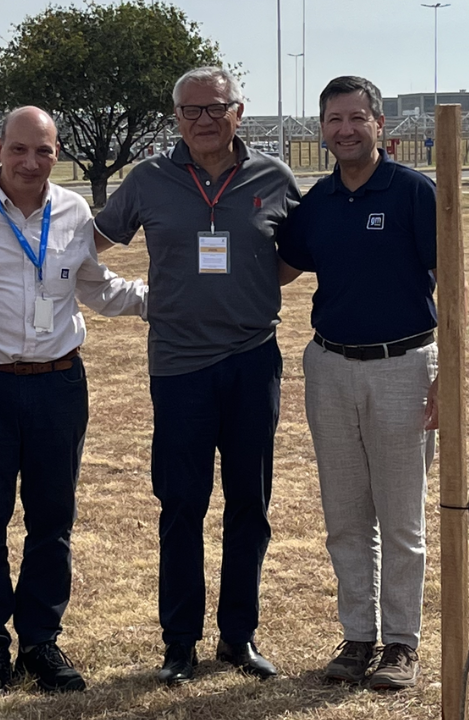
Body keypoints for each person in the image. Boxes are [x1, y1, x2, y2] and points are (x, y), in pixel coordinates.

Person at [0, 106, 147, 696]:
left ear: (58, 153)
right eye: (19, 149)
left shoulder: (73, 211)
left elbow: (95, 287)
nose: (30, 162)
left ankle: (41, 641)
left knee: (53, 520)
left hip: (58, 384)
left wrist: (174, 299)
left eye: (43, 151)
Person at [93, 66, 300, 685]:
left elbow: (294, 256)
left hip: (251, 359)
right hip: (179, 366)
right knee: (181, 504)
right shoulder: (149, 180)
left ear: (240, 110)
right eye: (191, 111)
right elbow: (92, 243)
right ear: (175, 117)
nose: (204, 119)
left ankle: (238, 636)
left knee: (249, 505)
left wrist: (249, 289)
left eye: (216, 108)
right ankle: (178, 643)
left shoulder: (274, 178)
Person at [277, 76, 439, 690]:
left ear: (378, 125)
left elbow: (448, 279)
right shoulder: (317, 202)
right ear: (321, 129)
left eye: (356, 118)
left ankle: (401, 642)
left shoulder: (411, 192)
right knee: (345, 517)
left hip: (403, 366)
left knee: (401, 520)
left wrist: (445, 378)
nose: (345, 130)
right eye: (333, 120)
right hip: (329, 368)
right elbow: (281, 270)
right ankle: (357, 636)